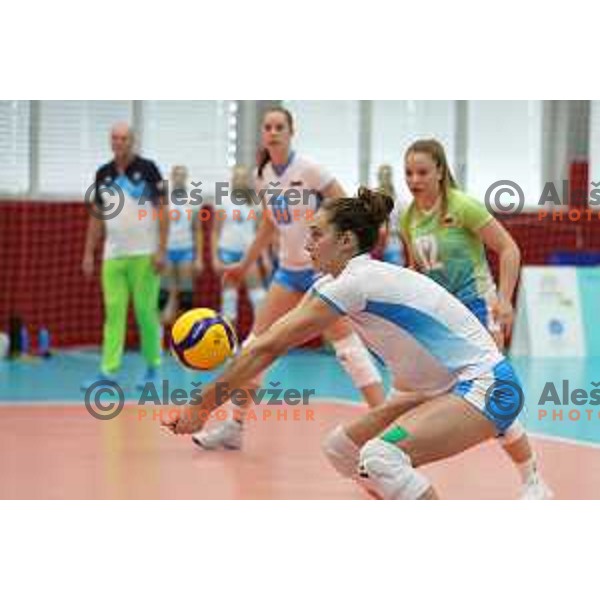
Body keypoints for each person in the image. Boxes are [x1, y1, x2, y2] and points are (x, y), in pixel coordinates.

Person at [163, 188, 526, 501]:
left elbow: (266, 349)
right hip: (436, 389)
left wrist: (201, 406)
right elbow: (268, 342)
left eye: (317, 234)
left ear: (346, 241)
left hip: (488, 385)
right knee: (341, 450)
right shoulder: (333, 283)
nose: (307, 244)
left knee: (381, 457)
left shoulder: (356, 281)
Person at [190, 107, 385, 450]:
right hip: (287, 273)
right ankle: (234, 426)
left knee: (348, 350)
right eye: (268, 127)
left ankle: (386, 426)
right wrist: (245, 263)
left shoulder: (309, 169)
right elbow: (270, 223)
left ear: (291, 132)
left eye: (280, 126)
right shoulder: (263, 174)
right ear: (262, 134)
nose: (273, 132)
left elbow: (346, 205)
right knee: (255, 347)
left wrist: (346, 252)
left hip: (320, 272)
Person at [398, 138, 551, 499]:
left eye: (422, 172)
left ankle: (533, 480)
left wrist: (505, 300)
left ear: (439, 171)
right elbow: (416, 268)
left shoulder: (462, 206)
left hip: (479, 310)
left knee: (491, 394)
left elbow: (509, 248)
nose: (414, 179)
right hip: (441, 318)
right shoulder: (408, 217)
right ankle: (392, 457)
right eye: (408, 172)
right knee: (417, 387)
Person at [81, 123, 168, 390]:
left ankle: (153, 368)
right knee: (114, 313)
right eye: (115, 138)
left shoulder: (150, 170)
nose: (119, 142)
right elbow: (97, 217)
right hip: (113, 256)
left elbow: (163, 211)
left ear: (133, 141)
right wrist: (88, 252)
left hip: (145, 255)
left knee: (145, 313)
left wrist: (161, 250)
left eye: (124, 138)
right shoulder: (103, 173)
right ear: (110, 142)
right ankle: (108, 372)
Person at [212, 165, 271, 325]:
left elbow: (261, 232)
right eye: (237, 177)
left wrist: (265, 257)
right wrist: (215, 258)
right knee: (229, 299)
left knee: (259, 297)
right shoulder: (222, 200)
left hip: (249, 254)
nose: (240, 180)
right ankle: (230, 344)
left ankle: (258, 341)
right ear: (232, 180)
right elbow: (215, 231)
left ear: (248, 181)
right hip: (227, 253)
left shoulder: (255, 202)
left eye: (244, 177)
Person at [161, 165, 202, 325]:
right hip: (167, 250)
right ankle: (159, 341)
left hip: (186, 250)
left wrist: (198, 258)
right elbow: (157, 228)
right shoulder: (164, 199)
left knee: (186, 295)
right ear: (172, 177)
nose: (179, 177)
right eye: (176, 174)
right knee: (164, 295)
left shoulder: (193, 200)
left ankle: (183, 334)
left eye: (182, 175)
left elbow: (197, 230)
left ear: (186, 178)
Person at [374, 164, 404, 265]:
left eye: (387, 174)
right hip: (375, 244)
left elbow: (404, 228)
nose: (385, 177)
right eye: (382, 174)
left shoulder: (400, 203)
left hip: (393, 243)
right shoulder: (372, 199)